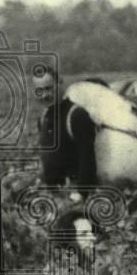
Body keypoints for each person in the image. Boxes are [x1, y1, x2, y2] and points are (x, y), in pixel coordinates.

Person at [31, 64, 98, 200]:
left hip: (72, 192)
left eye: (49, 88)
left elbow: (88, 159)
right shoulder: (44, 117)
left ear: (60, 82)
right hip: (53, 193)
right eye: (40, 90)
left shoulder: (76, 115)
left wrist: (81, 193)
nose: (45, 95)